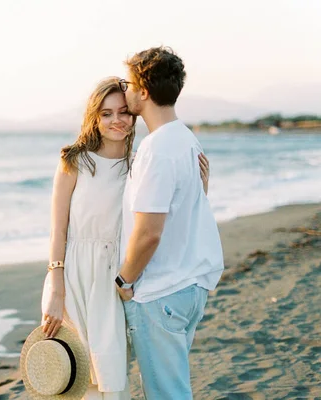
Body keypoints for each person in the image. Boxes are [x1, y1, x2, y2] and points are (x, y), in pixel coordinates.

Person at [41, 76, 210, 399]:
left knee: (112, 375)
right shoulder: (73, 161)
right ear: (94, 117)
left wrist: (200, 189)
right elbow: (58, 230)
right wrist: (55, 286)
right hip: (74, 276)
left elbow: (166, 221)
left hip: (118, 281)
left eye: (123, 112)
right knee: (72, 374)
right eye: (106, 113)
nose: (116, 120)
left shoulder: (140, 166)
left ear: (134, 116)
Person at [116, 47, 224, 400]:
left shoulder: (157, 148)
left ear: (144, 91)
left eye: (129, 85)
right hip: (189, 284)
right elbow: (186, 208)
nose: (126, 92)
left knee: (167, 394)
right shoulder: (186, 139)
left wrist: (124, 279)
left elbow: (149, 232)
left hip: (162, 290)